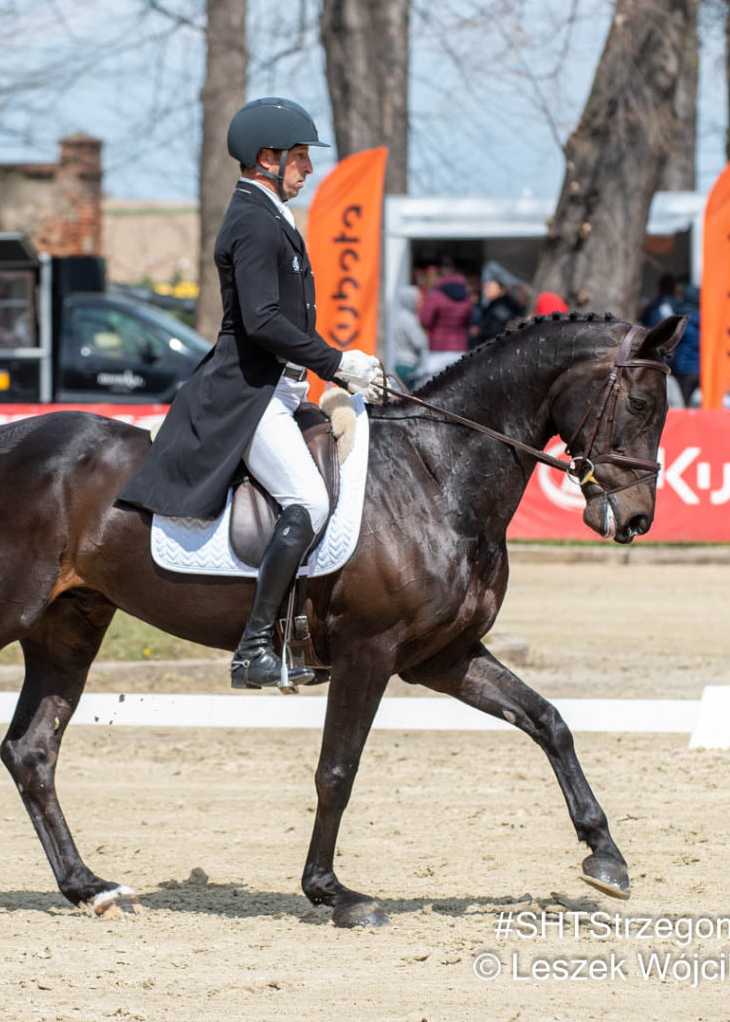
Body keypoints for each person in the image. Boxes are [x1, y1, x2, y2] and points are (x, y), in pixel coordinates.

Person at [118, 97, 384, 690]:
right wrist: (338, 363)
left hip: (280, 388)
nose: (307, 170)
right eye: (299, 159)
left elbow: (286, 323)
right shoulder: (253, 219)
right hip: (249, 394)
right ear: (267, 158)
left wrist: (336, 368)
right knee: (309, 503)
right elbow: (263, 321)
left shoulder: (270, 215)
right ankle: (254, 646)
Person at [418, 255, 471, 374]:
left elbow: (425, 321)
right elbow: (468, 320)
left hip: (438, 348)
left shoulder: (436, 296)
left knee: (432, 386)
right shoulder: (465, 298)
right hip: (460, 347)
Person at [391, 284, 428, 386]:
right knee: (410, 396)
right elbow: (420, 342)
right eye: (418, 300)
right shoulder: (409, 319)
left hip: (400, 362)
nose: (421, 303)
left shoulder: (400, 316)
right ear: (410, 299)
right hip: (408, 363)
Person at [474, 270, 524, 345]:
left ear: (500, 288)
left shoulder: (502, 305)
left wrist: (480, 332)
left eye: (489, 287)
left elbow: (496, 329)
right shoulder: (495, 304)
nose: (486, 291)